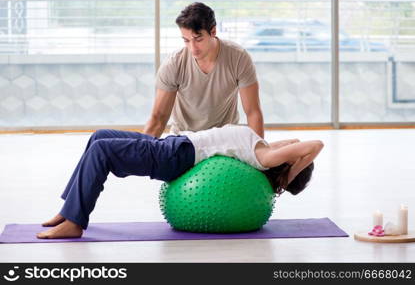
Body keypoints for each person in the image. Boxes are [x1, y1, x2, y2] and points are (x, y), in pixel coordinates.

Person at [37, 125, 323, 239]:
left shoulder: (268, 158)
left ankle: (75, 222)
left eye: (294, 153)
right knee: (100, 136)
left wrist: (294, 174)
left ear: (287, 166)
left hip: (178, 155)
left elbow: (316, 143)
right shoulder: (266, 147)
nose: (291, 142)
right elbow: (298, 142)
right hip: (176, 143)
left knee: (102, 151)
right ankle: (68, 209)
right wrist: (295, 158)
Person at [143, 2, 264, 138]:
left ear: (213, 31)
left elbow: (253, 112)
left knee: (276, 153)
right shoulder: (174, 64)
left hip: (225, 138)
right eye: (186, 40)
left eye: (198, 39)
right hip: (184, 138)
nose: (193, 48)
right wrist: (142, 156)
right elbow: (158, 118)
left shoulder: (238, 58)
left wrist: (258, 151)